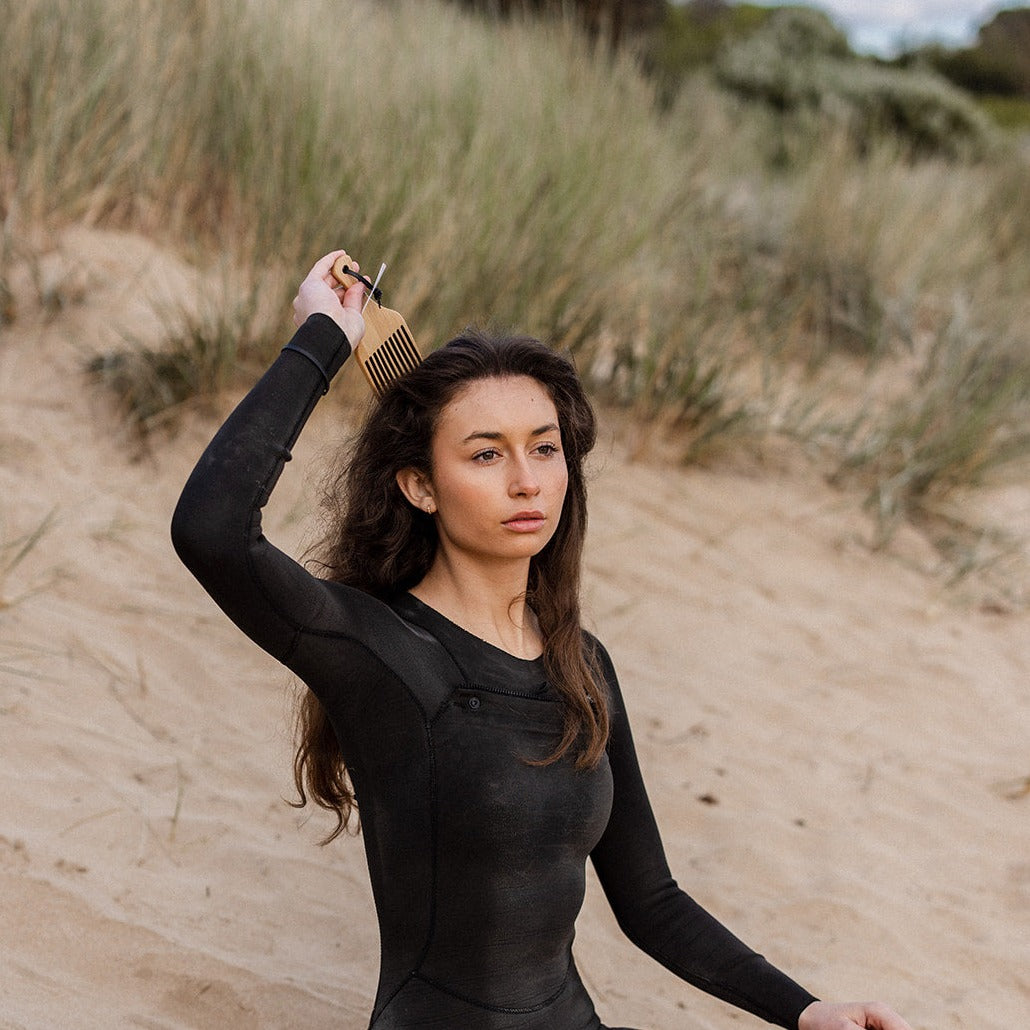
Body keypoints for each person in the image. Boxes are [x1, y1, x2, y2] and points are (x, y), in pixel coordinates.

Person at [171, 251, 915, 1030]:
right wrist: (323, 335)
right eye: (485, 453)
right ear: (419, 485)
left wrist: (804, 1011)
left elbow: (650, 899)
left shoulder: (581, 665)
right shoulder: (378, 652)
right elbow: (212, 531)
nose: (527, 480)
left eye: (545, 446)